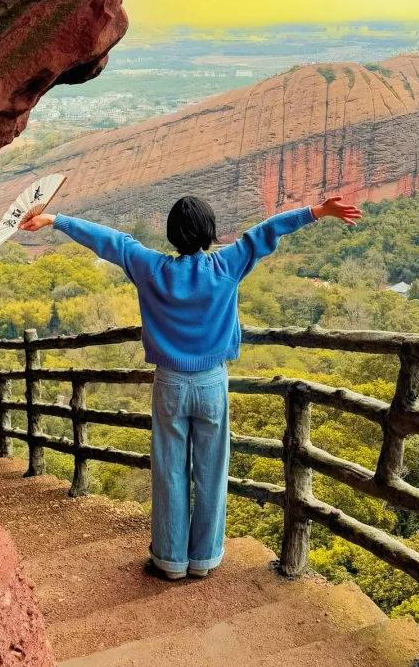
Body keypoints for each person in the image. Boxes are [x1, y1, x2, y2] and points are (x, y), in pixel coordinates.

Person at [19, 194, 362, 580]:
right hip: (212, 383)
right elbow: (266, 231)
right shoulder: (225, 266)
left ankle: (169, 561)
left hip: (169, 383)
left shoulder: (151, 269)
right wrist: (316, 212)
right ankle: (204, 560)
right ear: (210, 233)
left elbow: (110, 240)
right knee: (212, 472)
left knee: (169, 471)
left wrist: (54, 220)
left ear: (171, 234)